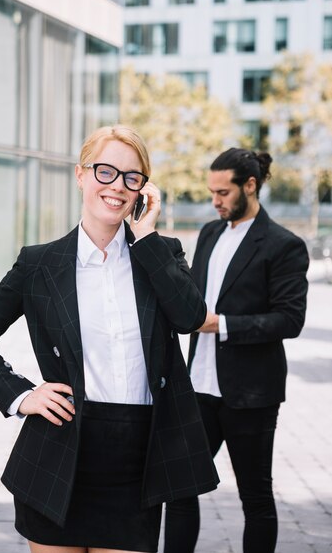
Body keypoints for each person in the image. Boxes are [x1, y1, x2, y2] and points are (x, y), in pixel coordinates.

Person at [0, 124, 218, 553]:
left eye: (132, 177)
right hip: (60, 453)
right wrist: (22, 396)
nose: (117, 186)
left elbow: (190, 318)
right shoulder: (39, 263)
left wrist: (148, 235)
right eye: (105, 172)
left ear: (142, 191)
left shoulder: (159, 254)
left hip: (138, 460)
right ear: (80, 175)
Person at [164, 148, 309, 553]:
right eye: (211, 192)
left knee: (255, 498)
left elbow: (289, 320)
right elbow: (194, 295)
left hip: (250, 395)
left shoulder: (284, 245)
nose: (215, 201)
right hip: (198, 388)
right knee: (179, 488)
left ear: (250, 185)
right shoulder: (210, 233)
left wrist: (219, 324)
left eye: (223, 192)